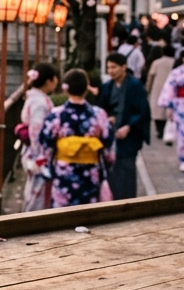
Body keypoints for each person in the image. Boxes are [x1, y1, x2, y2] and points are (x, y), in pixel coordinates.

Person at [38, 69, 114, 208]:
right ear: (86, 88)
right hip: (90, 173)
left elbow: (45, 143)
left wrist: (48, 165)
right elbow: (108, 144)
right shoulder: (99, 114)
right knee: (89, 211)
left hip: (63, 172)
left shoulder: (56, 114)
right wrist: (107, 162)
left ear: (65, 89)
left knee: (62, 212)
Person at [96, 52, 150, 200]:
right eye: (108, 68)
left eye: (114, 67)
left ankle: (128, 201)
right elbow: (101, 110)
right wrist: (108, 118)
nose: (110, 71)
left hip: (129, 137)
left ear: (124, 67)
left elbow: (142, 111)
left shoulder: (135, 86)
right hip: (111, 135)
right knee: (111, 171)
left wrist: (129, 126)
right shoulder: (107, 87)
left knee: (127, 170)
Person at [19, 63, 59, 212]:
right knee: (38, 195)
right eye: (55, 79)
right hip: (39, 155)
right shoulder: (40, 103)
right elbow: (36, 132)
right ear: (49, 81)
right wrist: (41, 158)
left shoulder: (34, 98)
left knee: (34, 192)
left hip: (33, 152)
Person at [146, 44, 176, 143]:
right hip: (172, 89)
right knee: (169, 110)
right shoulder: (175, 62)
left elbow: (150, 77)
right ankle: (168, 130)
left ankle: (160, 130)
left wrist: (148, 88)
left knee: (157, 110)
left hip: (157, 88)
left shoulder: (156, 62)